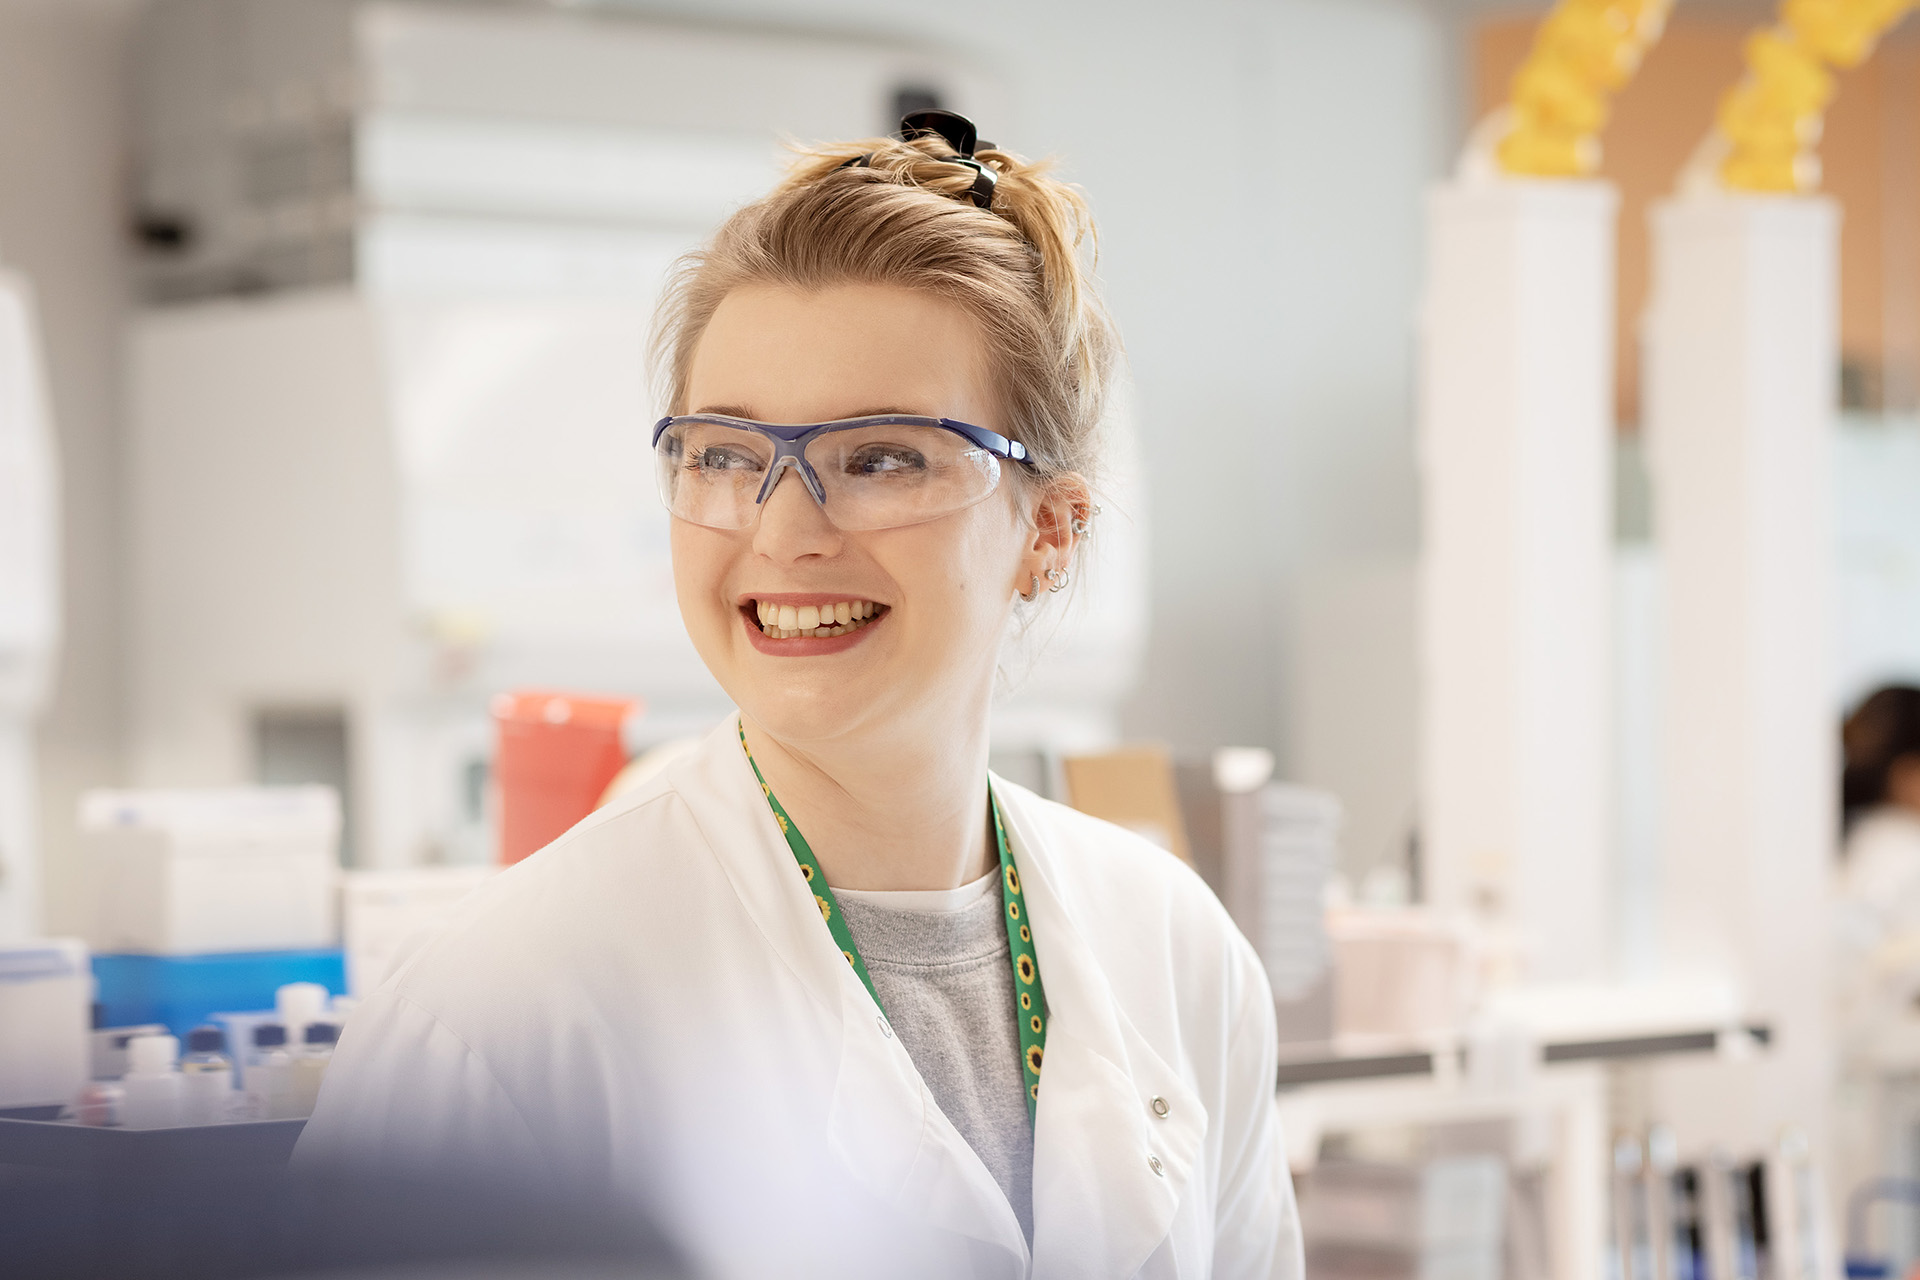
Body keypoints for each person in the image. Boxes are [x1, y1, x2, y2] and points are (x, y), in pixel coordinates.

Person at [295, 111, 1302, 1279]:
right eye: (724, 454)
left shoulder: (1176, 949)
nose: (783, 532)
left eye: (880, 458)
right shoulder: (501, 1012)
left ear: (1051, 530)